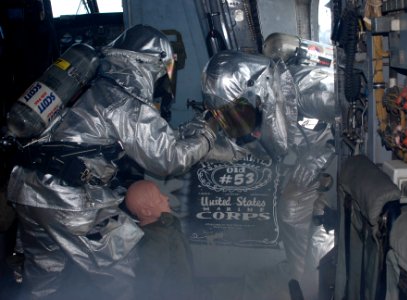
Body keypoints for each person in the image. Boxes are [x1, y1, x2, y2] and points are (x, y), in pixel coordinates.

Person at [7, 24, 216, 300]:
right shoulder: (124, 99)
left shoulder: (90, 85)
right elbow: (169, 159)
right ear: (153, 64)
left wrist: (193, 129)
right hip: (68, 200)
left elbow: (154, 139)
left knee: (43, 275)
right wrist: (210, 135)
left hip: (26, 190)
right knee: (125, 272)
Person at [201, 49, 335, 287]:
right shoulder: (261, 108)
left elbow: (354, 119)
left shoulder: (308, 89)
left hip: (337, 161)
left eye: (237, 110)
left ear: (253, 87)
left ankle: (323, 283)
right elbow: (244, 146)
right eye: (229, 115)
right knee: (290, 210)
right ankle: (301, 281)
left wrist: (321, 155)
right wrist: (202, 149)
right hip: (311, 166)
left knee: (322, 226)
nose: (237, 119)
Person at [125, 179, 195, 300]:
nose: (166, 198)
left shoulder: (166, 227)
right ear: (146, 211)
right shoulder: (154, 240)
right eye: (159, 199)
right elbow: (149, 284)